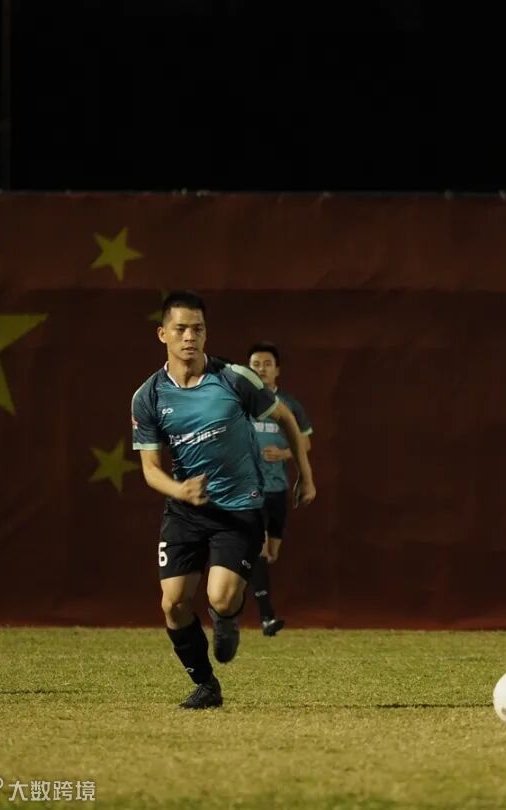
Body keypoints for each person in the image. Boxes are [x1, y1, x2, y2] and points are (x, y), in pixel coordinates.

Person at [131, 291, 316, 709]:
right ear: (163, 334)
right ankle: (206, 685)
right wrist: (180, 490)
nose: (189, 337)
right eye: (180, 329)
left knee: (221, 598)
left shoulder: (233, 378)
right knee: (174, 604)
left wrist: (305, 476)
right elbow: (150, 469)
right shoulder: (149, 396)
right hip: (186, 510)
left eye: (197, 329)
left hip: (240, 508)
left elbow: (285, 418)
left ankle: (227, 616)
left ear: (206, 333)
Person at [247, 341, 313, 637]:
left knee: (270, 553)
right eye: (255, 365)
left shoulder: (288, 405)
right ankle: (267, 617)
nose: (261, 369)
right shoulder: (241, 403)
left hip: (278, 489)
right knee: (258, 547)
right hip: (250, 489)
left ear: (277, 371)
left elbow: (306, 442)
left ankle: (246, 581)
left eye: (266, 364)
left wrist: (285, 454)